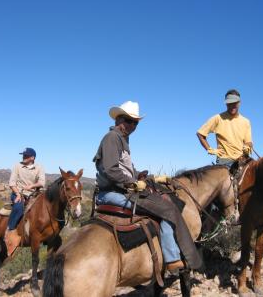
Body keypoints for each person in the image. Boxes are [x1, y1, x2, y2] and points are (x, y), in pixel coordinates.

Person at [93, 101, 202, 271]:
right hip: (112, 192)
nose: (132, 125)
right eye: (128, 121)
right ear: (118, 120)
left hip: (121, 189)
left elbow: (128, 170)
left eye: (135, 122)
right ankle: (172, 259)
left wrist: (153, 178)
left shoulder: (122, 140)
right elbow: (111, 170)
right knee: (167, 209)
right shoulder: (112, 138)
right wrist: (133, 183)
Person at [197, 89, 253, 168]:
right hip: (224, 161)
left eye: (235, 103)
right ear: (226, 103)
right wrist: (210, 149)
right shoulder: (218, 118)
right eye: (229, 103)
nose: (232, 105)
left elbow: (248, 142)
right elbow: (200, 134)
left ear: (239, 103)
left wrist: (247, 147)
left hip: (241, 160)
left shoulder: (246, 121)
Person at [5, 147, 45, 256]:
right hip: (19, 193)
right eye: (23, 155)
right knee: (18, 208)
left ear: (32, 157)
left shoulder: (39, 167)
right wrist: (18, 194)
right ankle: (10, 230)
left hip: (34, 193)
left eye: (26, 156)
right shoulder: (17, 166)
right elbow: (12, 183)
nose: (23, 157)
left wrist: (32, 185)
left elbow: (42, 182)